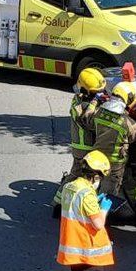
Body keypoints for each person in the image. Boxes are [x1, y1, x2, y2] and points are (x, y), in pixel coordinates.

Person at [53, 67, 108, 213]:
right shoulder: (82, 106)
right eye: (97, 92)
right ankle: (58, 204)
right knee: (76, 175)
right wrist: (96, 103)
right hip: (84, 148)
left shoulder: (79, 99)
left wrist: (95, 101)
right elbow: (88, 121)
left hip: (83, 147)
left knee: (79, 175)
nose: (100, 93)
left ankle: (64, 201)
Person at [92, 81, 136, 219]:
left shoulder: (99, 112)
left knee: (94, 187)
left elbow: (90, 123)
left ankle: (88, 211)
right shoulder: (128, 123)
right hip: (114, 164)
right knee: (108, 194)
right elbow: (133, 139)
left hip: (96, 158)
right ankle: (101, 220)